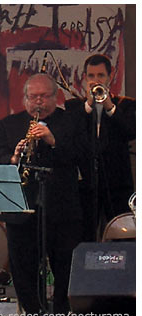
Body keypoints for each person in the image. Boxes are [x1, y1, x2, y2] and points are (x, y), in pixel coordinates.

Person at [0, 73, 87, 315]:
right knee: (22, 268)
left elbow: (82, 156)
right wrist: (14, 157)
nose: (38, 102)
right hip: (22, 207)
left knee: (66, 267)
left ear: (55, 97)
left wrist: (53, 140)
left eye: (44, 96)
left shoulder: (72, 121)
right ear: (25, 99)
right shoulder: (9, 124)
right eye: (33, 97)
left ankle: (64, 315)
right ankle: (33, 314)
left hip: (62, 209)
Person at [65, 54, 136, 241]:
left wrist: (110, 107)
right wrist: (89, 104)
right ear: (85, 78)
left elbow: (131, 131)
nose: (96, 80)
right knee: (85, 236)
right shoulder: (73, 107)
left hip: (118, 183)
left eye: (101, 76)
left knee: (122, 236)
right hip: (86, 184)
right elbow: (70, 132)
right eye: (91, 76)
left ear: (110, 78)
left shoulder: (126, 105)